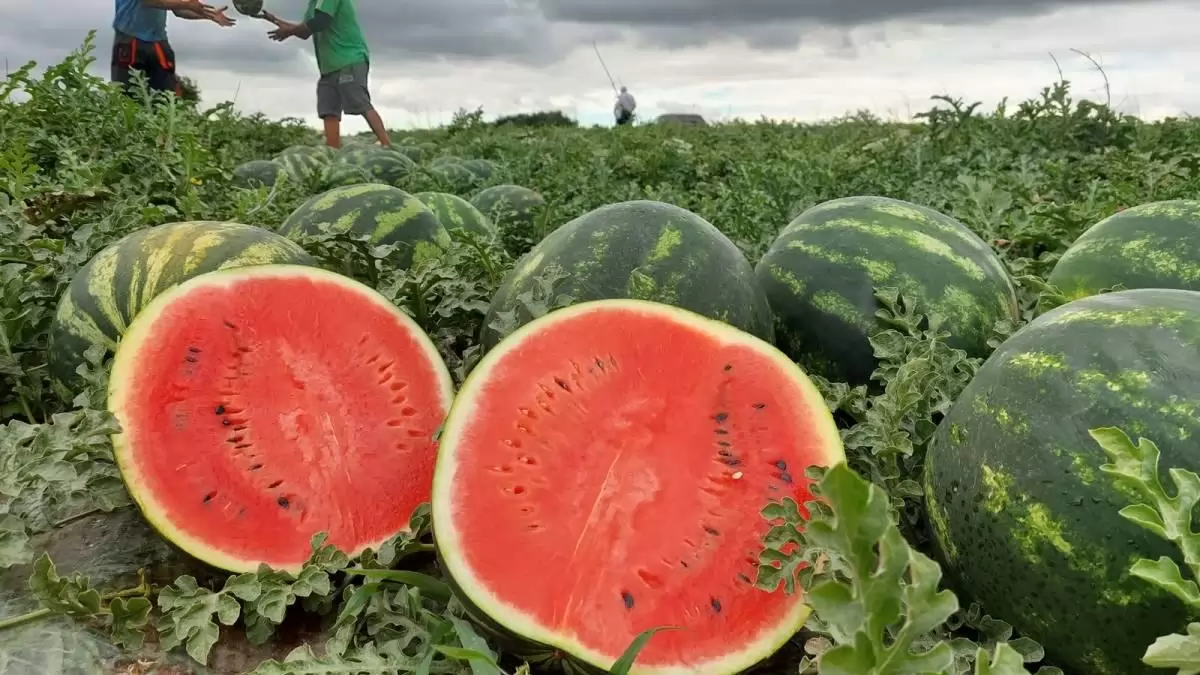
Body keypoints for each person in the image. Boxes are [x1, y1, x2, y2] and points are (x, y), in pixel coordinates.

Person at [262, 2, 391, 149]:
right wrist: (274, 20)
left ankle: (387, 145)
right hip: (328, 67)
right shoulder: (313, 4)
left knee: (360, 103)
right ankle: (333, 152)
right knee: (328, 110)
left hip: (349, 59)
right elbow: (305, 31)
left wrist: (289, 31)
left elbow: (321, 22)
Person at [112, 0, 235, 98]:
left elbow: (179, 10)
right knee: (127, 95)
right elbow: (149, 1)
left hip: (158, 41)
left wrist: (208, 15)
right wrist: (187, 4)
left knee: (169, 96)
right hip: (130, 39)